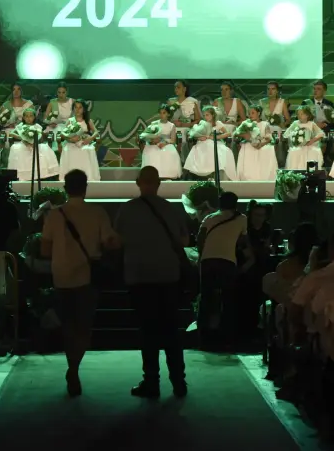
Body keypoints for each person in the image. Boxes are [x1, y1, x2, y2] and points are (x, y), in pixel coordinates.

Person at [40, 169, 120, 396]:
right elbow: (110, 242)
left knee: (68, 323)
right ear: (86, 188)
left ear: (65, 188)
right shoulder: (97, 213)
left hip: (62, 275)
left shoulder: (55, 215)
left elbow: (45, 249)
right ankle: (74, 367)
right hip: (88, 275)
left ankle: (72, 366)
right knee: (84, 324)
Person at [113, 166, 189, 398]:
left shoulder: (127, 210)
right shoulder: (171, 209)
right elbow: (184, 240)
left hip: (140, 276)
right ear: (158, 183)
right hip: (168, 275)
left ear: (138, 182)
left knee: (148, 331)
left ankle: (152, 381)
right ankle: (179, 382)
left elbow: (116, 242)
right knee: (171, 331)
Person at [197, 191, 249, 349]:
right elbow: (243, 240)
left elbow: (200, 237)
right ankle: (227, 337)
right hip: (227, 261)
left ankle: (204, 337)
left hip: (208, 261)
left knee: (206, 298)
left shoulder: (209, 218)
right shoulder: (241, 219)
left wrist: (202, 254)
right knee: (228, 300)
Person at [7, 107, 58, 181]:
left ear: (34, 117)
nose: (28, 118)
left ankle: (39, 173)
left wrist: (33, 141)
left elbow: (40, 136)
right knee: (15, 148)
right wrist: (23, 138)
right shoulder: (20, 126)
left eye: (31, 116)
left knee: (45, 149)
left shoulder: (37, 126)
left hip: (35, 145)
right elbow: (11, 134)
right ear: (23, 117)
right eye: (26, 116)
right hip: (23, 144)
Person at [57, 99, 100, 182]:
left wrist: (90, 139)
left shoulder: (88, 121)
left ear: (83, 109)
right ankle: (69, 177)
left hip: (84, 143)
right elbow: (62, 134)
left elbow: (96, 132)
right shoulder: (70, 121)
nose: (77, 110)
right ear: (73, 109)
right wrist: (69, 138)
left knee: (87, 150)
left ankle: (88, 177)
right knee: (68, 149)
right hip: (71, 143)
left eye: (80, 107)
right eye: (75, 107)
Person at [138, 104, 182, 180]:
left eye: (164, 113)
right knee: (152, 152)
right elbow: (147, 135)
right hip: (153, 144)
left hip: (165, 144)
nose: (162, 115)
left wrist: (164, 142)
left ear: (168, 114)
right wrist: (152, 140)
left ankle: (167, 175)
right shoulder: (154, 123)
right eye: (160, 113)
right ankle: (152, 175)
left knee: (169, 152)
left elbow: (173, 140)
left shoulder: (171, 125)